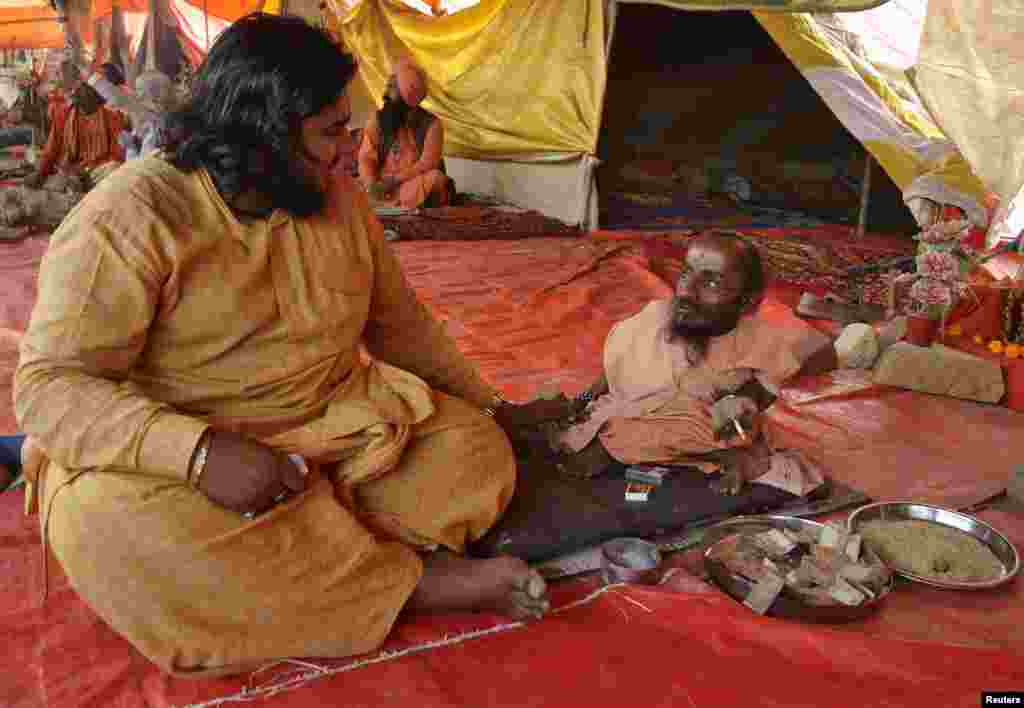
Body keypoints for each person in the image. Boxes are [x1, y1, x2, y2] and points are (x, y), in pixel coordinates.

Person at [14, 14, 568, 679]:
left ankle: (315, 552)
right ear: (263, 131)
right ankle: (413, 583)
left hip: (334, 430)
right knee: (110, 528)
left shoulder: (336, 197)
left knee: (475, 453)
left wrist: (491, 407)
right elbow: (49, 387)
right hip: (183, 457)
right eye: (331, 132)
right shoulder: (131, 216)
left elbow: (403, 328)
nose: (348, 150)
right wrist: (196, 454)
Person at [548, 231, 838, 495]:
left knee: (713, 426)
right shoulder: (657, 316)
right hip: (631, 407)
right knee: (583, 423)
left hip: (693, 420)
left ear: (747, 301)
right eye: (686, 274)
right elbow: (615, 369)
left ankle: (720, 456)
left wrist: (744, 398)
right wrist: (584, 397)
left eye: (711, 282)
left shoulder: (758, 339)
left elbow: (803, 361)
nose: (687, 290)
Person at [357, 57, 453, 209]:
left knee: (437, 181)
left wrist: (395, 181)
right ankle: (382, 202)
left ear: (406, 95)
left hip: (409, 183)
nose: (385, 94)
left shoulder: (432, 125)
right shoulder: (379, 119)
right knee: (349, 187)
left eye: (391, 88)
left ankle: (384, 205)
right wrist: (371, 184)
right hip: (380, 184)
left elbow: (427, 164)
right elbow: (366, 157)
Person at [23, 72, 126, 189]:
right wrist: (41, 173)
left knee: (112, 170)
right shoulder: (64, 114)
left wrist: (88, 169)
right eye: (83, 90)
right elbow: (52, 148)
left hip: (97, 171)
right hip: (68, 169)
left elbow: (116, 155)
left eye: (96, 98)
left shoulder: (113, 117)